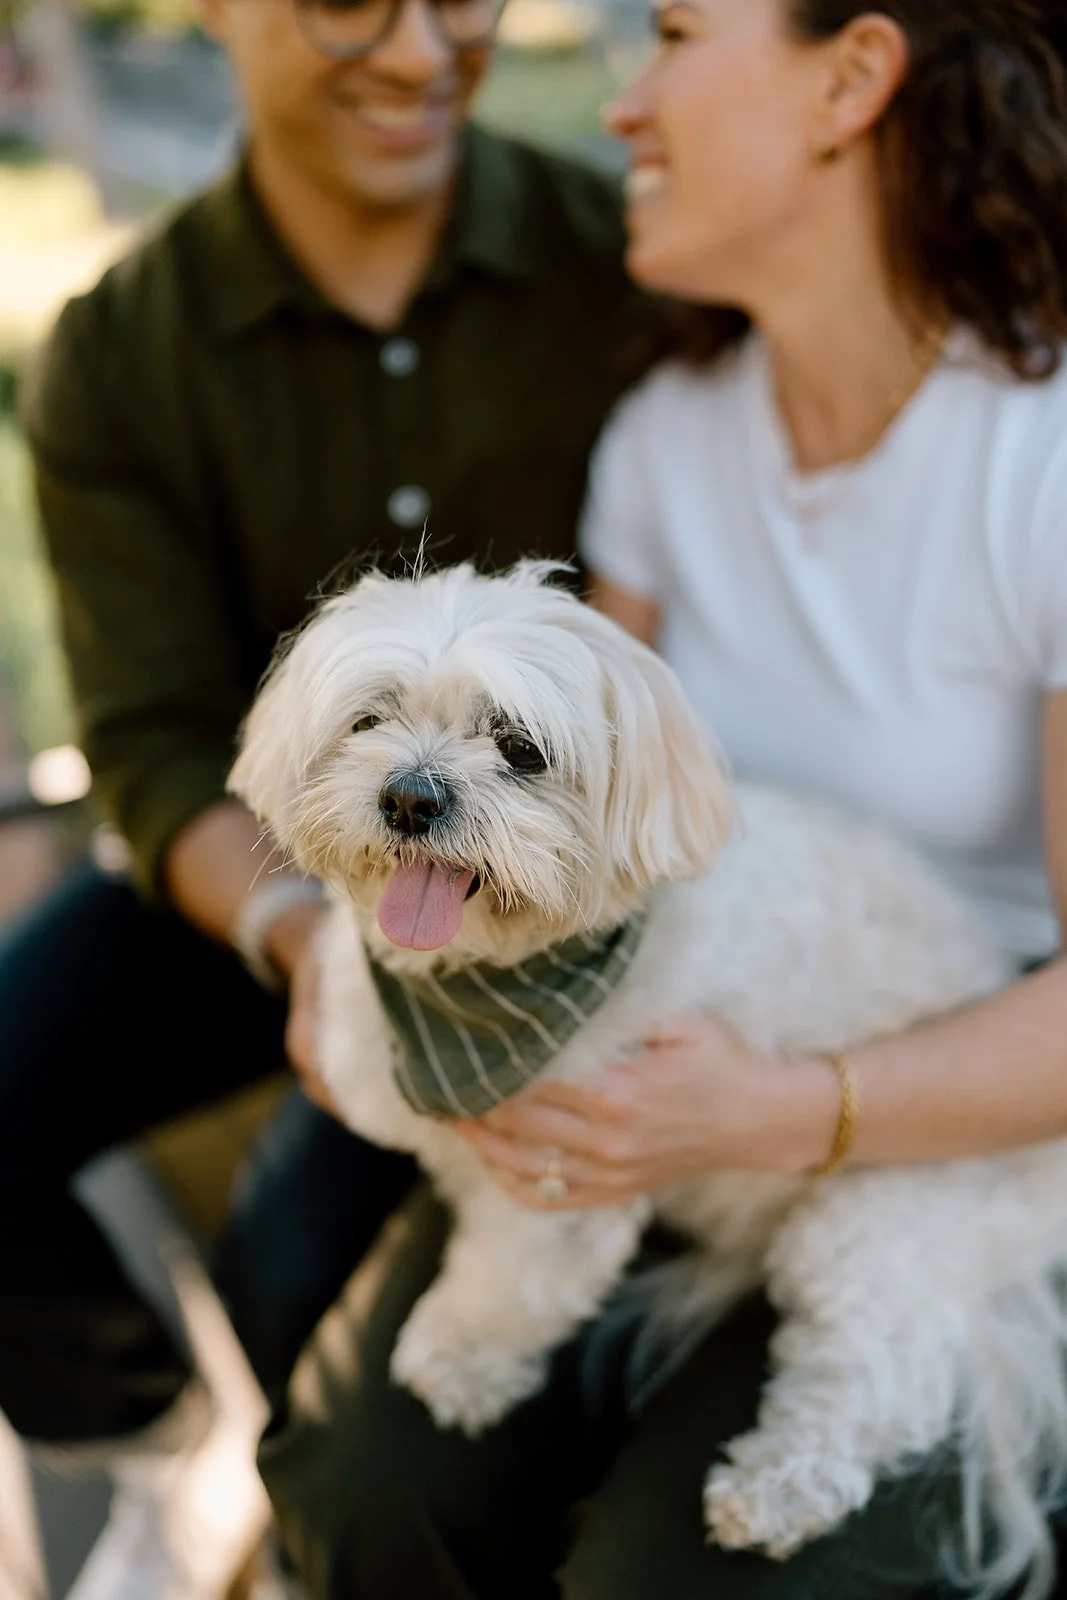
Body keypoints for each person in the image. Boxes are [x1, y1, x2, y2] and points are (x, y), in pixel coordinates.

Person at [254, 2, 1067, 1598]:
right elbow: (559, 821)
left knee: (671, 1580)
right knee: (360, 1484)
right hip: (628, 1073)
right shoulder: (666, 442)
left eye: (676, 32)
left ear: (851, 77)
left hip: (964, 1113)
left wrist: (789, 1109)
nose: (620, 107)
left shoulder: (1037, 463)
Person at [1, 0, 656, 1589]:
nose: (423, 51)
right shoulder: (115, 355)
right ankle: (158, 1439)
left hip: (538, 901)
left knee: (293, 1247)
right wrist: (303, 933)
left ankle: (355, 1511)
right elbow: (153, 746)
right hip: (275, 877)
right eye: (350, 1)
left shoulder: (624, 271)